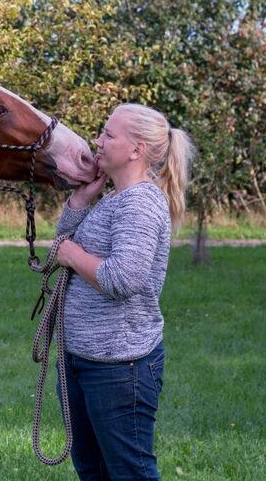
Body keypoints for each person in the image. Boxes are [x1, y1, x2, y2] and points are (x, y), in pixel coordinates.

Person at [52, 103, 197, 480]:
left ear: (136, 150)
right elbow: (63, 241)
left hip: (119, 366)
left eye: (108, 135)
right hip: (82, 357)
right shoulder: (115, 198)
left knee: (130, 472)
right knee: (92, 468)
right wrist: (81, 200)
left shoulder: (141, 204)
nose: (97, 141)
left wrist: (73, 256)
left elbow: (123, 279)